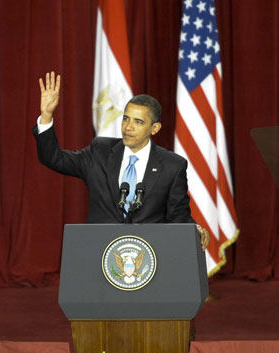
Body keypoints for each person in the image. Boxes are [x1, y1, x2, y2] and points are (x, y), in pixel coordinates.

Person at [32, 72, 210, 250]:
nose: (128, 127)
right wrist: (46, 115)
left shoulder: (172, 166)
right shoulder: (99, 151)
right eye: (126, 118)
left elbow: (178, 214)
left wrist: (193, 229)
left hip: (150, 254)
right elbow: (53, 158)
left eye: (138, 122)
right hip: (100, 250)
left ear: (154, 128)